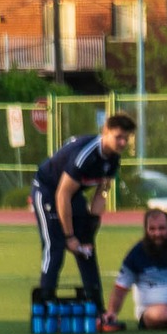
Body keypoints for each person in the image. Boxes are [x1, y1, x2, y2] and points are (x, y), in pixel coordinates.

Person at [30, 111, 137, 319]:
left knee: (86, 252)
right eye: (118, 137)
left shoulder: (114, 159)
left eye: (126, 138)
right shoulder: (86, 155)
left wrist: (88, 233)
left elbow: (102, 192)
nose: (122, 142)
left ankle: (97, 310)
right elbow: (62, 194)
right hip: (48, 191)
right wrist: (71, 237)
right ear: (105, 132)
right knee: (56, 247)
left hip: (72, 194)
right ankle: (45, 304)